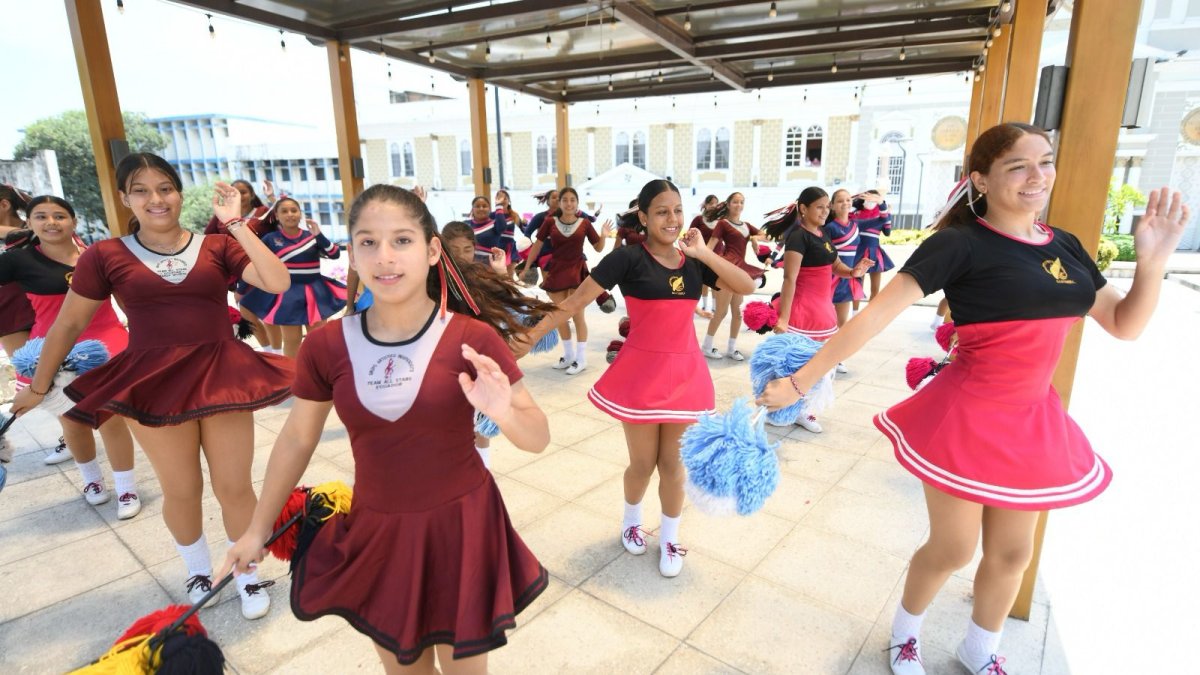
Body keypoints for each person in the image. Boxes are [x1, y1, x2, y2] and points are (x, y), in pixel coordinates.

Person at [755, 123, 1191, 675]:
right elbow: (874, 318)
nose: (1038, 176)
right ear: (980, 179)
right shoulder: (959, 243)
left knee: (1014, 553)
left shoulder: (1064, 244)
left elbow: (1125, 324)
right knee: (953, 549)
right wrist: (800, 381)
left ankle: (980, 648)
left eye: (1045, 161)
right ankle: (905, 634)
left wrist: (1153, 261)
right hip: (967, 416)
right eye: (1018, 166)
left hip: (1033, 420)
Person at [223, 184, 551, 674]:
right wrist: (256, 530)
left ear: (432, 250)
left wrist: (503, 410)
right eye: (368, 242)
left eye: (401, 240)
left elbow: (538, 436)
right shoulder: (326, 346)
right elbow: (296, 439)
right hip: (378, 531)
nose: (385, 257)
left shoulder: (471, 337)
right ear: (352, 255)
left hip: (463, 526)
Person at [12, 153, 293, 620]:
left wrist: (235, 223)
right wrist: (39, 388)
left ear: (179, 193)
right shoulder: (105, 255)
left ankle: (245, 572)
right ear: (125, 198)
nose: (156, 199)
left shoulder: (217, 245)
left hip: (221, 375)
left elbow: (277, 280)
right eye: (140, 190)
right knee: (182, 488)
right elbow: (67, 325)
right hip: (152, 383)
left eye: (165, 188)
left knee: (235, 486)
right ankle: (198, 571)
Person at [516, 179, 755, 577]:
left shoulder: (694, 262)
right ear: (643, 217)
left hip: (686, 377)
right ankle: (631, 521)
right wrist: (530, 337)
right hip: (641, 378)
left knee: (673, 467)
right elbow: (574, 303)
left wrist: (702, 253)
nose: (672, 219)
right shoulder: (627, 258)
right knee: (642, 465)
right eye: (661, 212)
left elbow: (746, 284)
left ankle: (671, 537)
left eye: (677, 210)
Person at [0, 196, 141, 518]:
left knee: (111, 419)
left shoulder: (98, 255)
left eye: (59, 216)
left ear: (73, 222)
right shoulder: (17, 260)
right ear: (29, 222)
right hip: (52, 350)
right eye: (41, 216)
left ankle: (126, 487)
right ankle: (92, 481)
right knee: (72, 421)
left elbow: (128, 299)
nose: (51, 222)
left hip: (107, 344)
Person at [762, 187, 872, 433]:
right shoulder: (798, 237)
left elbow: (836, 266)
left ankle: (802, 409)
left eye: (826, 207)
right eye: (819, 207)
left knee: (822, 365)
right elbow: (789, 279)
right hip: (802, 312)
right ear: (804, 209)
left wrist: (854, 272)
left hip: (823, 311)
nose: (825, 211)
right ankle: (787, 409)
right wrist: (784, 318)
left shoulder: (823, 234)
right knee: (800, 365)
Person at [441, 219, 520, 469]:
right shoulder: (432, 279)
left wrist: (500, 271)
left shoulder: (481, 275)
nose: (461, 256)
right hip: (443, 357)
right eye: (454, 250)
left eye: (467, 250)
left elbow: (509, 299)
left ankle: (483, 468)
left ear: (475, 249)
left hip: (475, 356)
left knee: (480, 415)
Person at [239, 197, 347, 358]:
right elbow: (254, 263)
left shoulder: (312, 236)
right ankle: (291, 371)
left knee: (318, 339)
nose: (290, 214)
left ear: (300, 213)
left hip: (315, 293)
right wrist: (241, 290)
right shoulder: (270, 239)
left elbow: (334, 254)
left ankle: (318, 371)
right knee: (292, 340)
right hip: (287, 296)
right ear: (276, 215)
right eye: (284, 211)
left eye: (294, 210)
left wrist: (319, 234)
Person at [522, 187, 613, 375]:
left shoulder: (585, 223)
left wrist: (603, 235)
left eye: (573, 200)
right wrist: (526, 266)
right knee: (559, 315)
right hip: (556, 271)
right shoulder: (549, 221)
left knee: (578, 315)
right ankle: (569, 355)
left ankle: (581, 358)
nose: (569, 203)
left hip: (577, 272)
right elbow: (537, 246)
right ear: (560, 203)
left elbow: (598, 248)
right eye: (565, 200)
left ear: (577, 203)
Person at [206, 179, 283, 353]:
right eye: (237, 192)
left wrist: (272, 196)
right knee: (248, 315)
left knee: (267, 314)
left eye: (244, 192)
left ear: (252, 194)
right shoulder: (223, 214)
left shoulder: (262, 212)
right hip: (237, 270)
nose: (241, 196)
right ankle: (267, 351)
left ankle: (278, 353)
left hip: (261, 269)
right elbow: (208, 235)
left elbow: (282, 216)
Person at [702, 192, 767, 361]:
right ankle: (706, 347)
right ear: (728, 204)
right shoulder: (723, 223)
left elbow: (767, 236)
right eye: (735, 202)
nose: (739, 205)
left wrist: (754, 238)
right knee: (721, 312)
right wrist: (702, 265)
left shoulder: (747, 226)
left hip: (740, 270)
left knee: (737, 313)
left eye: (742, 202)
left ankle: (731, 349)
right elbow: (709, 247)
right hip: (727, 268)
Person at [824, 188, 866, 375]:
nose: (845, 203)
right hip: (830, 278)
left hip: (848, 278)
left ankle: (836, 358)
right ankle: (821, 358)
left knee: (842, 323)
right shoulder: (829, 228)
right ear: (832, 206)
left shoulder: (855, 226)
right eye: (840, 200)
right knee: (825, 320)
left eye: (848, 200)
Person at [852, 188, 894, 307]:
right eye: (868, 198)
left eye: (874, 199)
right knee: (857, 286)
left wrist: (888, 215)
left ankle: (869, 315)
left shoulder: (882, 216)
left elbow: (887, 233)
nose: (870, 201)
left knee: (875, 289)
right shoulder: (855, 214)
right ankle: (855, 313)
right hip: (859, 252)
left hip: (875, 253)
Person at [688, 195, 720, 318]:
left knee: (715, 283)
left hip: (717, 256)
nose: (713, 206)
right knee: (704, 283)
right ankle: (704, 306)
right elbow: (690, 233)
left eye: (716, 203)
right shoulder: (698, 219)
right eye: (711, 203)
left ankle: (714, 307)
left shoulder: (721, 221)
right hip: (701, 256)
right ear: (705, 205)